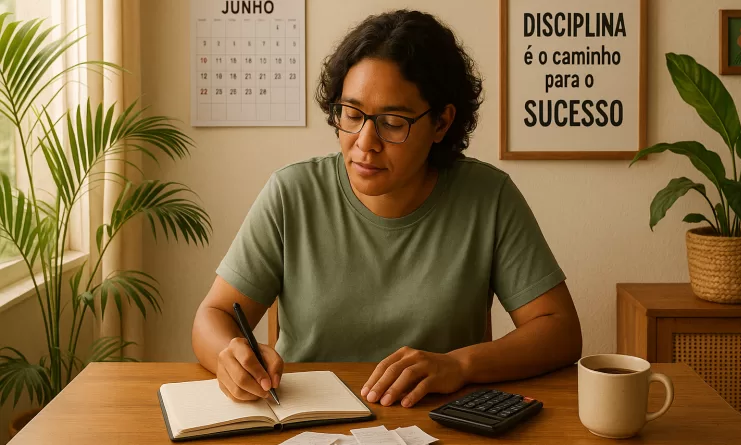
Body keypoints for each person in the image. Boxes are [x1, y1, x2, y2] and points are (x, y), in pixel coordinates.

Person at [192, 9, 582, 409]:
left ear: (442, 123)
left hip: (443, 424)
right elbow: (214, 314)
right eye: (352, 114)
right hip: (308, 422)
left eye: (393, 122)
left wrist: (459, 365)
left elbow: (560, 330)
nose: (365, 141)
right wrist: (232, 354)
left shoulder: (488, 196)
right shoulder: (292, 193)